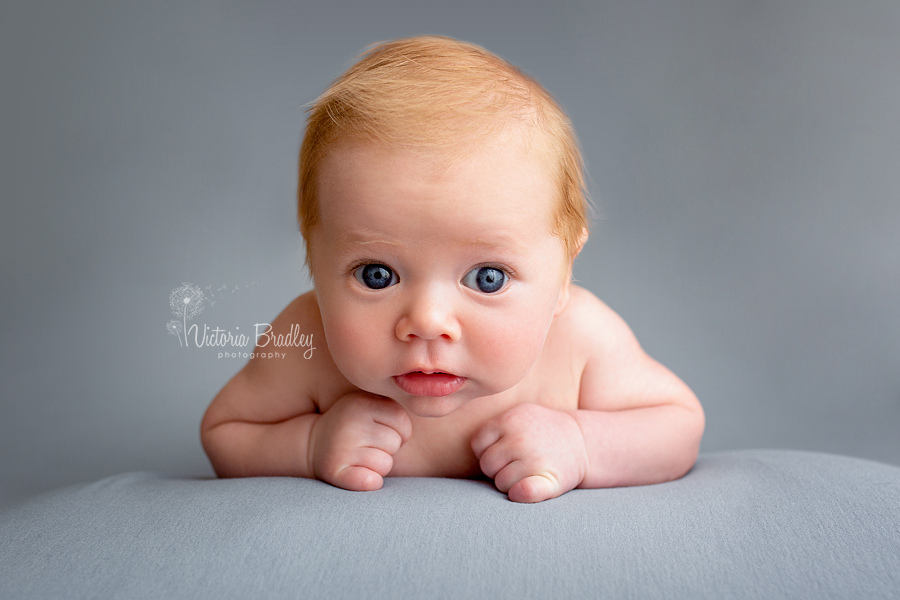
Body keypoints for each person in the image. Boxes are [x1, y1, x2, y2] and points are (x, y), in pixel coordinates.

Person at [201, 35, 704, 503]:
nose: (427, 320)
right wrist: (310, 445)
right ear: (315, 258)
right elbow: (227, 432)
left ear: (564, 276)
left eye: (488, 277)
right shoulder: (306, 340)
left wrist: (582, 443)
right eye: (377, 274)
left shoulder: (579, 340)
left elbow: (678, 426)